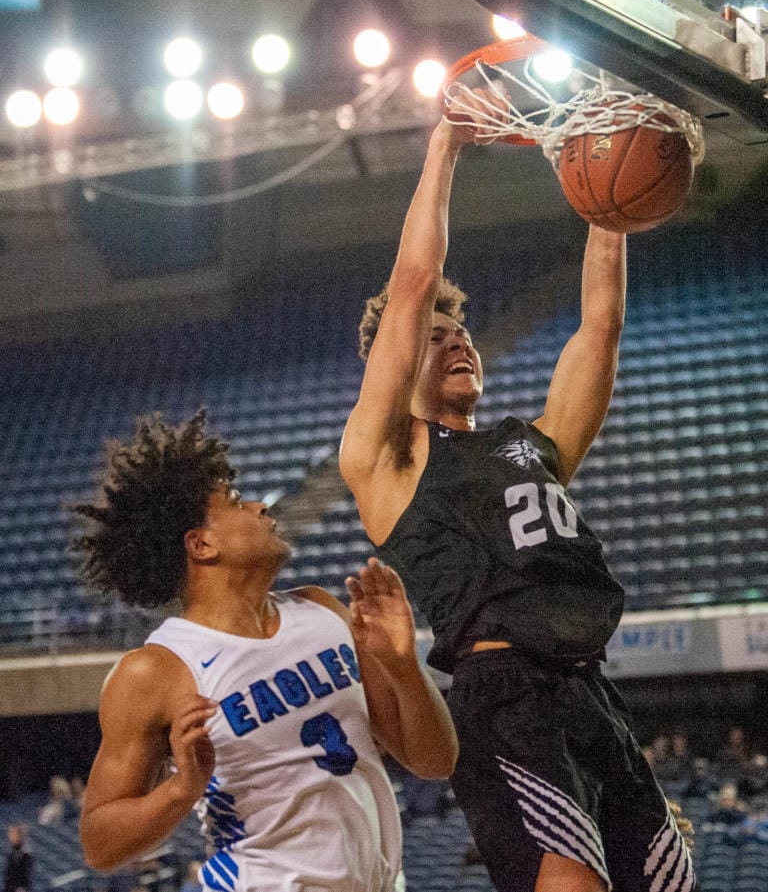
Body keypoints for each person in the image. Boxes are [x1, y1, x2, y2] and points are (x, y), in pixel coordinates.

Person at [339, 102, 698, 892]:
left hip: (588, 689)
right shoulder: (387, 455)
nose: (456, 338)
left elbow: (598, 328)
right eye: (435, 337)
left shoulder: (532, 444)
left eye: (460, 331)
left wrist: (608, 214)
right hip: (502, 696)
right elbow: (411, 284)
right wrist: (445, 146)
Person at [73, 411, 457, 892]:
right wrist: (180, 790)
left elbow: (435, 761)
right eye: (235, 502)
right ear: (202, 544)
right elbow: (99, 844)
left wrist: (402, 668)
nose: (257, 506)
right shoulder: (155, 670)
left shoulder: (322, 610)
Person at [2, 825, 32, 892]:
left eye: (13, 833)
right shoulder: (12, 851)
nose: (10, 836)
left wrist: (22, 887)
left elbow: (26, 872)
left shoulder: (24, 853)